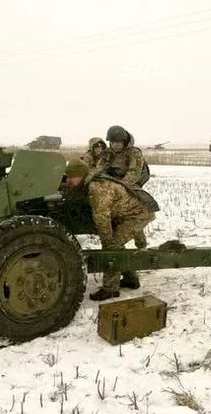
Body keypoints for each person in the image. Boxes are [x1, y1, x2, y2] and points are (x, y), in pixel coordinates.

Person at [65, 158, 156, 301]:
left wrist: (106, 244)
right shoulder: (88, 182)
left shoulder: (97, 188)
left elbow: (102, 219)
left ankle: (110, 289)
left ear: (82, 175)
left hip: (138, 216)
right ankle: (131, 278)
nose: (69, 180)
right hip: (126, 214)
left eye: (72, 177)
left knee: (112, 246)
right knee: (116, 245)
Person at [96, 125, 151, 276]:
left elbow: (133, 175)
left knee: (133, 214)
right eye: (113, 142)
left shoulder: (134, 153)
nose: (116, 145)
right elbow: (98, 169)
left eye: (119, 142)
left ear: (124, 141)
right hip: (116, 185)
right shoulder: (108, 153)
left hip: (132, 186)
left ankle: (141, 246)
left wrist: (117, 190)